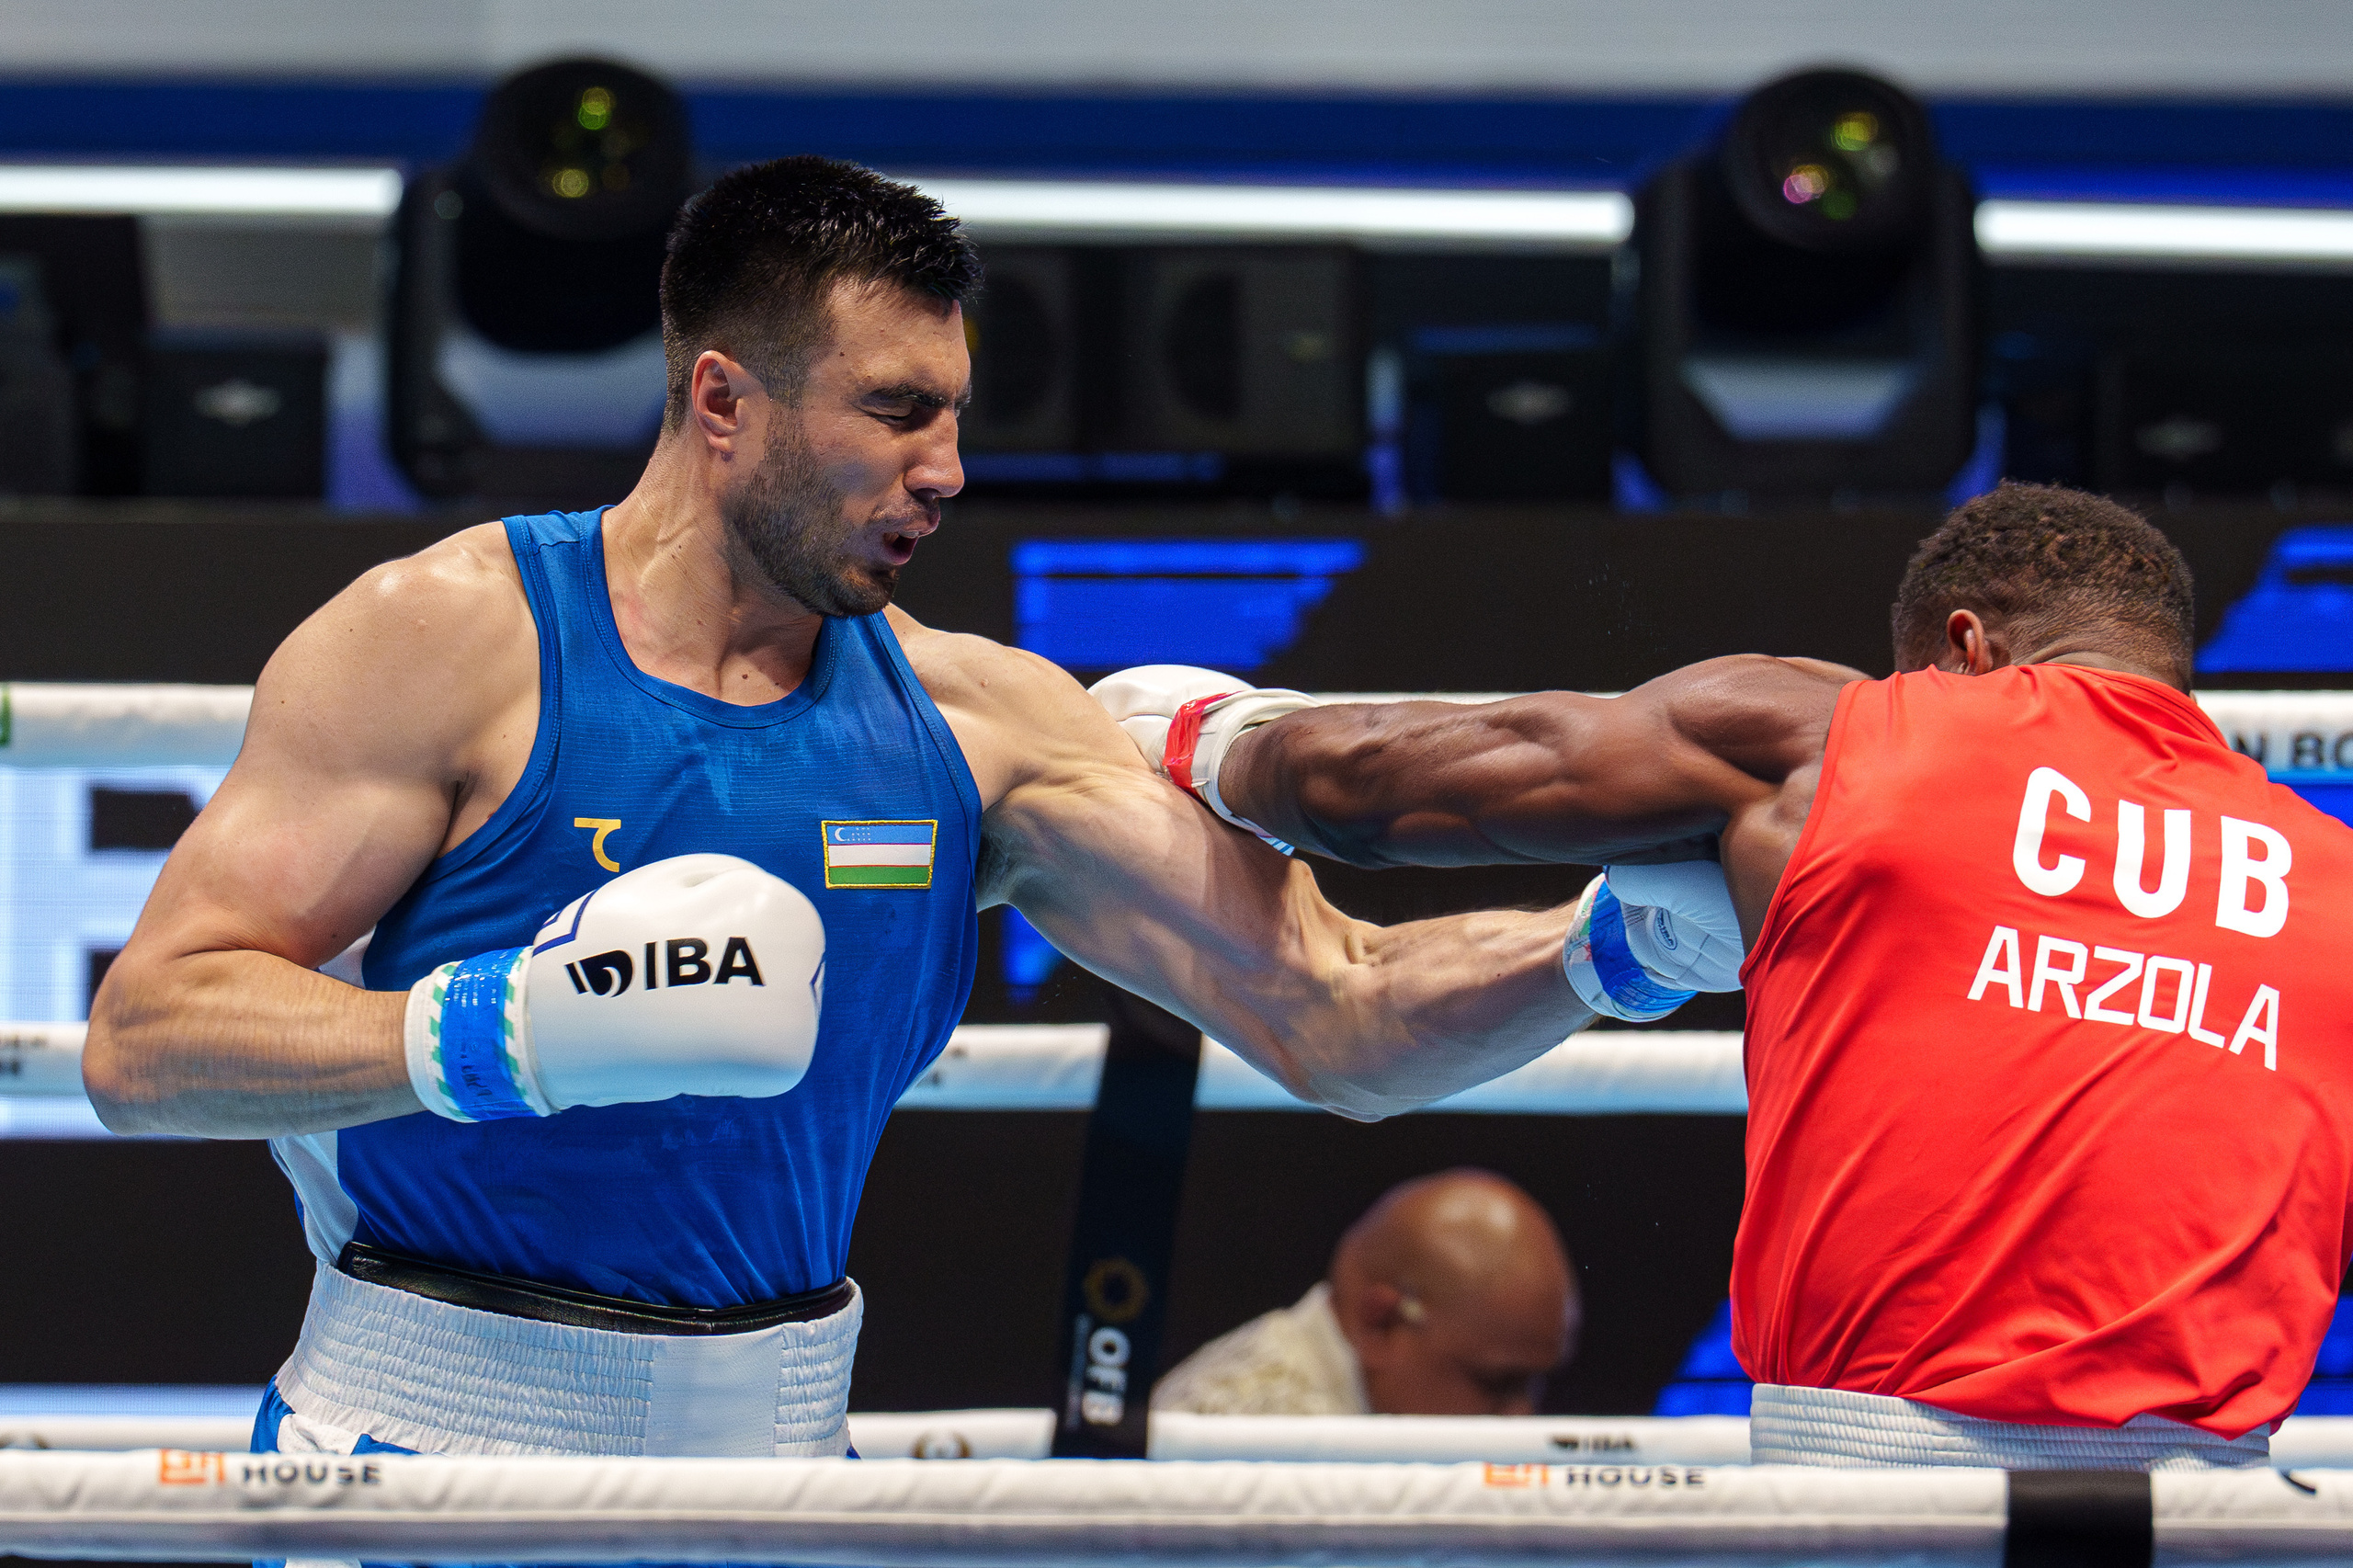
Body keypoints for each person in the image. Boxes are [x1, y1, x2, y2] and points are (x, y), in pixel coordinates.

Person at [79, 155, 1720, 1466]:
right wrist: (491, 1036)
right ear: (722, 401)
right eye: (893, 411)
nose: (944, 466)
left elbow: (1340, 1015)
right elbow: (147, 1041)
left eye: (954, 411)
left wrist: (1613, 948)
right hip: (419, 1449)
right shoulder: (447, 641)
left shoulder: (977, 722)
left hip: (777, 1478)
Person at [1097, 481, 2353, 1470]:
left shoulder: (1847, 735)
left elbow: (1382, 784)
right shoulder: (2331, 878)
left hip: (1876, 1488)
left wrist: (1200, 737)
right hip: (2224, 1515)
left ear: (1966, 647)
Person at [1153, 1168, 1577, 1417]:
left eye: (1535, 1385)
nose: (1522, 1419)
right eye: (1499, 1383)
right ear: (1382, 1324)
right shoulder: (1247, 1437)